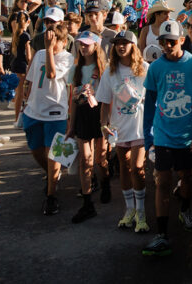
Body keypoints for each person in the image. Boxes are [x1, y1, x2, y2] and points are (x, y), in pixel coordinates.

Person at [142, 21, 192, 256]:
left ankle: (184, 209)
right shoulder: (155, 68)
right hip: (162, 134)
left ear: (182, 40)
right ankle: (161, 233)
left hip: (187, 136)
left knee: (186, 177)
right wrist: (147, 138)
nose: (167, 46)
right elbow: (149, 105)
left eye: (172, 41)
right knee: (162, 182)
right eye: (163, 42)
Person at [97, 31, 148, 233]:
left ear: (133, 46)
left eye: (125, 43)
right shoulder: (110, 72)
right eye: (117, 43)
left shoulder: (145, 69)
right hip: (119, 128)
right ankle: (130, 210)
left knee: (137, 167)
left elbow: (154, 97)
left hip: (140, 128)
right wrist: (104, 125)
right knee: (124, 167)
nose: (120, 46)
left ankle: (142, 213)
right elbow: (104, 103)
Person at [23, 22, 75, 216]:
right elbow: (30, 80)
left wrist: (49, 52)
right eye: (48, 40)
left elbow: (52, 74)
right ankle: (53, 176)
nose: (50, 44)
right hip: (34, 111)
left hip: (56, 113)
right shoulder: (38, 55)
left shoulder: (67, 58)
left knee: (54, 154)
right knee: (36, 151)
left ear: (63, 42)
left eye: (54, 41)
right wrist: (24, 104)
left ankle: (51, 195)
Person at [66, 31, 110, 223]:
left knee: (100, 157)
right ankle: (87, 203)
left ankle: (105, 182)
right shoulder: (75, 69)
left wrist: (107, 120)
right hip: (83, 114)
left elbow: (109, 96)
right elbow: (73, 99)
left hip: (100, 114)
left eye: (87, 44)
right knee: (85, 160)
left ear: (96, 46)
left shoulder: (104, 69)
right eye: (80, 45)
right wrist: (71, 123)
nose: (83, 48)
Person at [11, 10, 33, 126]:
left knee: (18, 92)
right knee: (22, 93)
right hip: (23, 65)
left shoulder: (16, 34)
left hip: (15, 63)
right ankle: (18, 119)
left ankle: (16, 118)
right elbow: (28, 55)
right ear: (28, 22)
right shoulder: (26, 35)